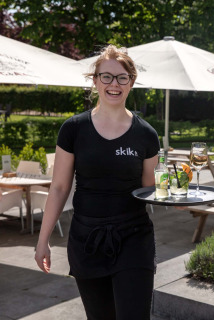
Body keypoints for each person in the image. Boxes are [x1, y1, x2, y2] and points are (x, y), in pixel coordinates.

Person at [34, 44, 160, 320]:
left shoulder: (147, 135)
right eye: (106, 76)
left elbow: (150, 189)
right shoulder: (73, 129)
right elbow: (59, 188)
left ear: (131, 82)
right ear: (95, 81)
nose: (114, 84)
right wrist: (43, 240)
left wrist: (175, 198)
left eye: (121, 77)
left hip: (133, 238)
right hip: (86, 239)